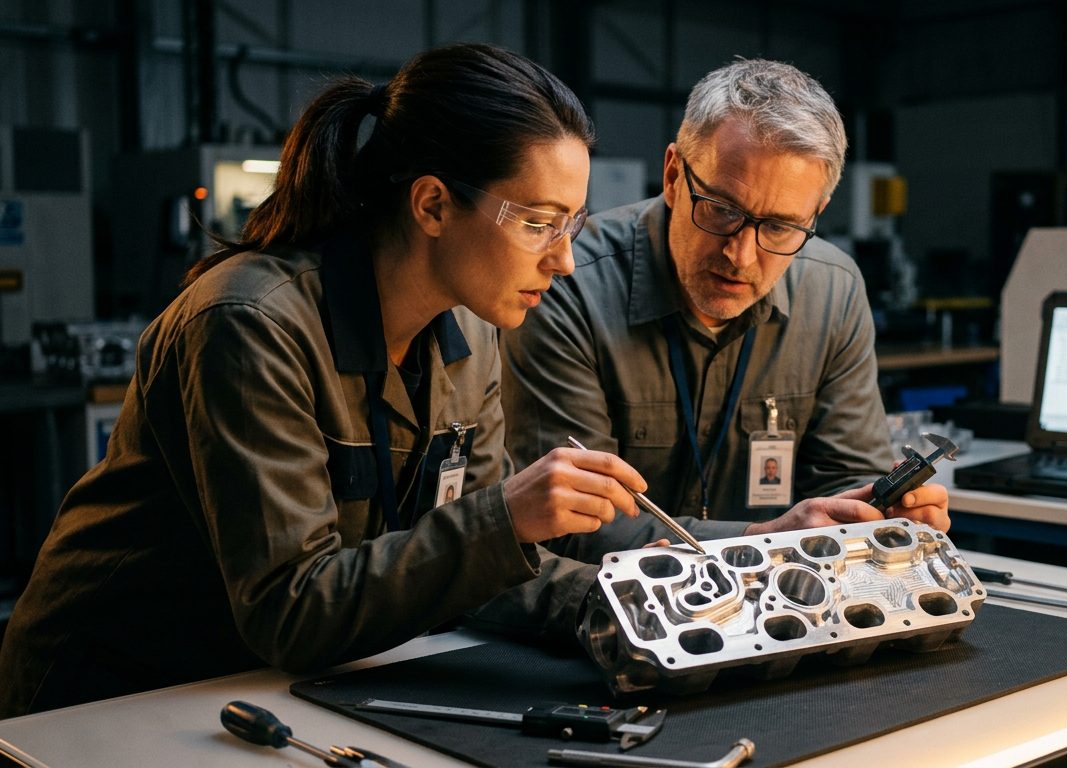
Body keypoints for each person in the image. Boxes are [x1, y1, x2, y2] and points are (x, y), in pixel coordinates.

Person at [0, 43, 650, 717]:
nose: (566, 260)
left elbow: (470, 568)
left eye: (571, 223)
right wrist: (505, 518)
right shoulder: (251, 324)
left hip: (267, 686)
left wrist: (632, 603)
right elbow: (291, 609)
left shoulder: (472, 336)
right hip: (112, 696)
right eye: (538, 223)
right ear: (431, 205)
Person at [498, 58, 950, 555]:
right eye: (721, 210)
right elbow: (566, 521)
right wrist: (758, 539)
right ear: (673, 175)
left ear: (815, 214)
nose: (741, 255)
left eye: (780, 227)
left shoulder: (833, 290)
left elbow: (847, 483)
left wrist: (878, 512)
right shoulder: (566, 284)